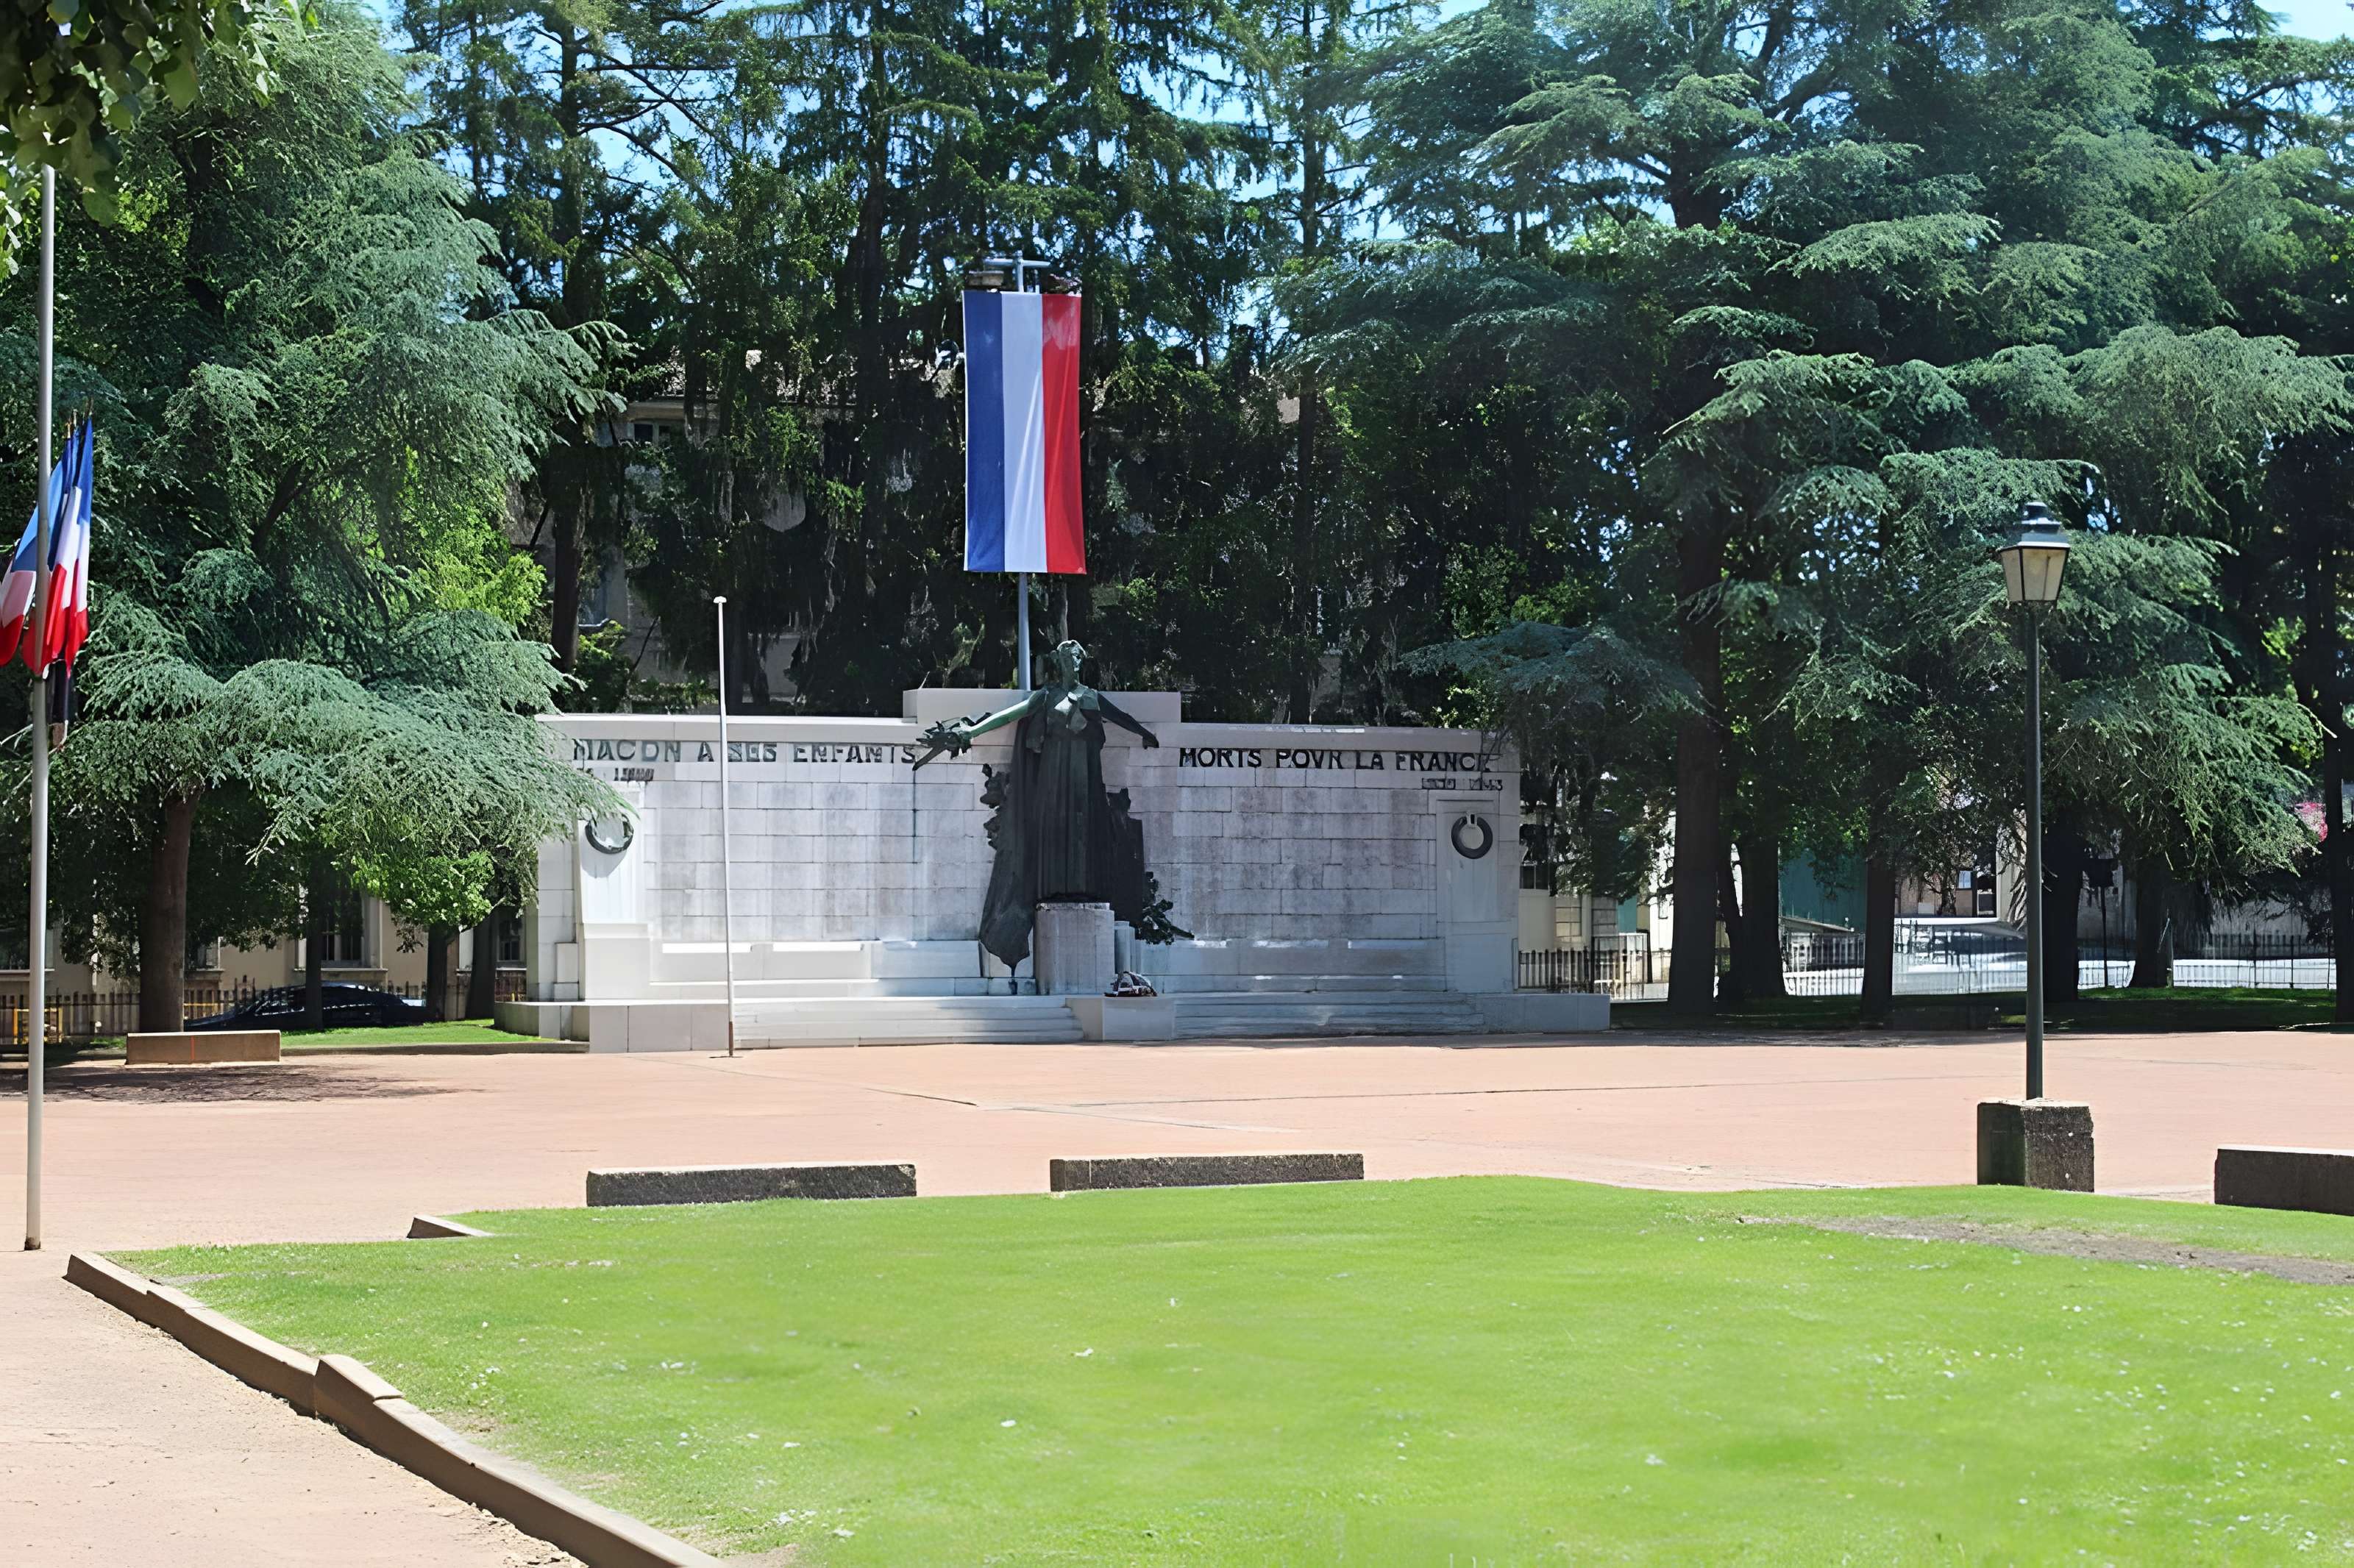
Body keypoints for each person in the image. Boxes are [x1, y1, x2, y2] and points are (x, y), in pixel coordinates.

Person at [915, 640, 1159, 966]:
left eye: (1075, 657)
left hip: (1084, 778)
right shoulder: (1046, 697)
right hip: (1054, 778)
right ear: (1059, 662)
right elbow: (1007, 716)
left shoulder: (1091, 697)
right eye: (1066, 657)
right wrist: (972, 731)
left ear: (1081, 661)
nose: (1071, 662)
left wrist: (1145, 733)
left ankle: (1082, 887)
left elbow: (1121, 717)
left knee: (1082, 831)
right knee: (1057, 831)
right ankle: (1057, 887)